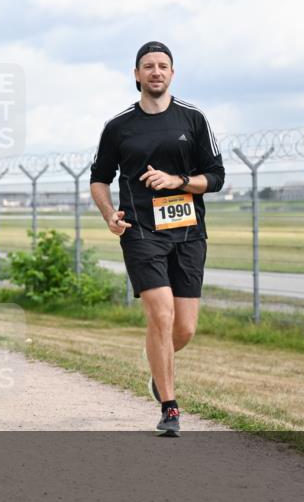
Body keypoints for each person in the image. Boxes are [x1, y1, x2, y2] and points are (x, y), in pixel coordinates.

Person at [89, 41, 226, 436]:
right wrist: (108, 214)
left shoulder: (193, 119)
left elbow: (216, 177)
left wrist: (178, 181)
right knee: (160, 313)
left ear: (172, 73)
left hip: (188, 232)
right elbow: (100, 180)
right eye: (148, 66)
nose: (156, 72)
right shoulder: (118, 127)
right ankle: (170, 407)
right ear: (136, 75)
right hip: (140, 232)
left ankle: (157, 365)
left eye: (163, 66)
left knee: (183, 328)